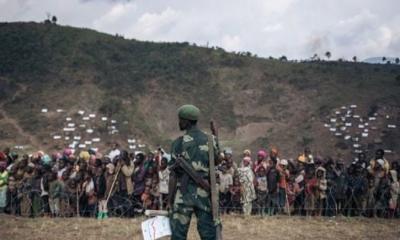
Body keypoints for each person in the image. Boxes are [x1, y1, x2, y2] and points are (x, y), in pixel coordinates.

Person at [168, 104, 220, 240]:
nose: (179, 122)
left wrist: (169, 200)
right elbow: (217, 161)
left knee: (178, 234)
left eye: (180, 119)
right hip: (205, 193)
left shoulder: (178, 143)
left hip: (183, 194)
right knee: (209, 234)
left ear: (186, 121)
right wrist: (216, 136)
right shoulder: (210, 140)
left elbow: (173, 175)